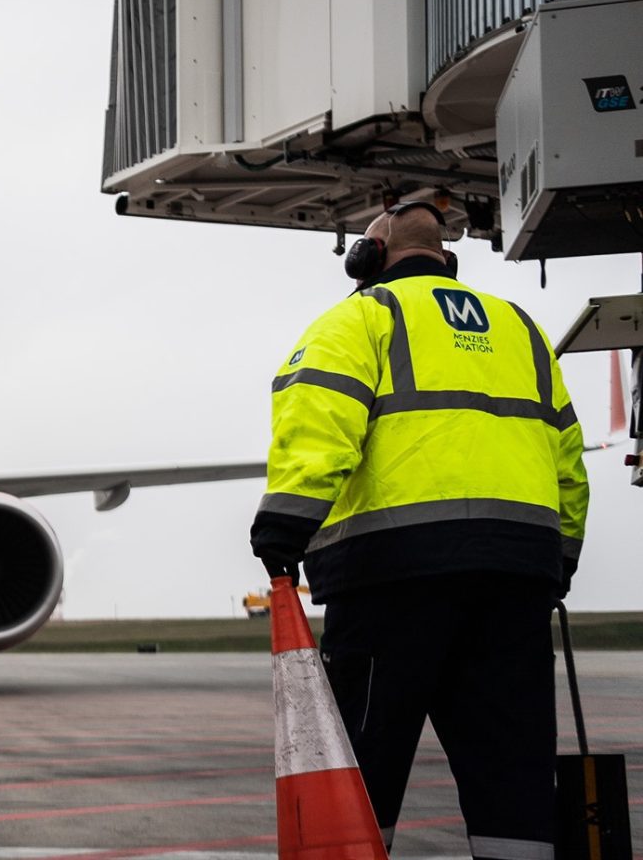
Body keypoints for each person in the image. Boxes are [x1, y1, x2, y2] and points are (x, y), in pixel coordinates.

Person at [250, 200, 590, 858]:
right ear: (446, 258)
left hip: (390, 578)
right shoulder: (519, 329)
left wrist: (283, 528)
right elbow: (567, 464)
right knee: (512, 774)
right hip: (515, 579)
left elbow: (319, 426)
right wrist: (560, 560)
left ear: (369, 256)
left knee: (360, 771)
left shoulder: (361, 318)